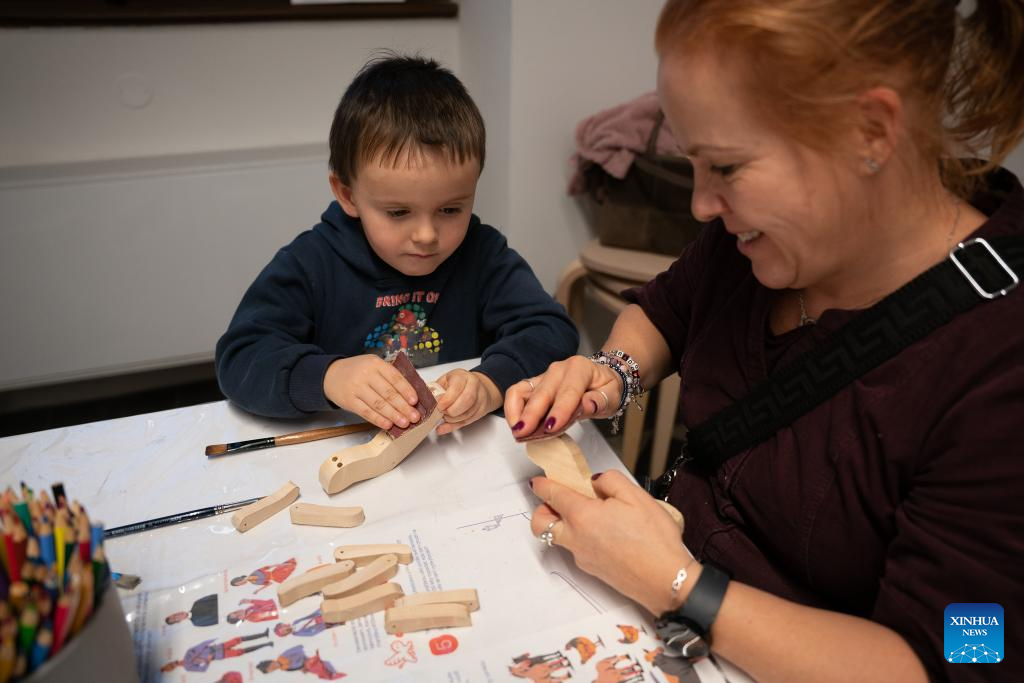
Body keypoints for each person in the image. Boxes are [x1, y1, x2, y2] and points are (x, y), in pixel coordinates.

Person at [506, 1, 1024, 681]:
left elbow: (961, 655)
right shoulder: (748, 243)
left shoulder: (1000, 360)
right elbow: (665, 311)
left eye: (724, 167)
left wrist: (680, 583)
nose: (700, 205)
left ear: (870, 130)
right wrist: (611, 374)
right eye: (692, 162)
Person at [216, 54, 578, 435]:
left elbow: (551, 331)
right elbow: (241, 357)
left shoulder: (482, 255)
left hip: (455, 455)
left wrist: (491, 383)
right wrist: (328, 376)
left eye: (451, 208)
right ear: (348, 194)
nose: (427, 235)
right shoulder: (312, 263)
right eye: (398, 212)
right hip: (344, 448)